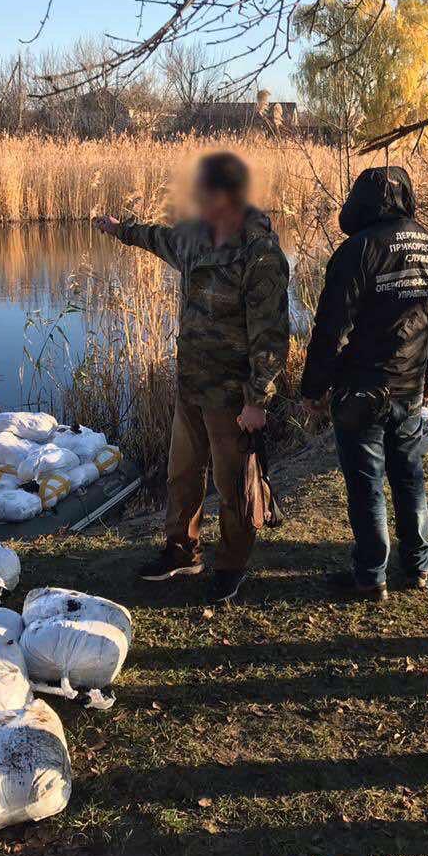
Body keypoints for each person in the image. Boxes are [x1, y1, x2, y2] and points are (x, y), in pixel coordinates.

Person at [93, 152, 291, 604]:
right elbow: (157, 238)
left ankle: (232, 565)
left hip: (232, 396)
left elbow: (271, 335)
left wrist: (257, 400)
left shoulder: (260, 253)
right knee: (181, 475)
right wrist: (120, 229)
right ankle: (182, 551)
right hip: (191, 387)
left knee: (234, 487)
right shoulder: (194, 239)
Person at [299, 166, 428, 602]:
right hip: (410, 387)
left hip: (361, 389)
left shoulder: (357, 251)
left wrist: (313, 388)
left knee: (367, 482)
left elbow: (330, 329)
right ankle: (418, 567)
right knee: (409, 476)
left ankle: (371, 576)